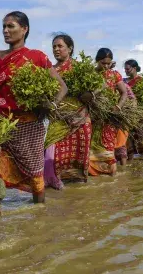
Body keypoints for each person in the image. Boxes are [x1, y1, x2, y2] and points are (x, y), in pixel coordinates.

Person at [0, 11, 67, 203]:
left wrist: (50, 105)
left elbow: (62, 87)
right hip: (2, 126)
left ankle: (39, 219)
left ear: (24, 29)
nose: (5, 31)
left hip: (30, 126)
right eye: (3, 27)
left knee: (36, 178)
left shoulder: (37, 57)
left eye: (11, 26)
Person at [43, 34, 91, 189]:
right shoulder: (51, 70)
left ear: (70, 48)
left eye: (60, 46)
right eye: (54, 47)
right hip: (57, 119)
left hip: (79, 119)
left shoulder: (80, 68)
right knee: (50, 155)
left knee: (76, 158)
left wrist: (90, 95)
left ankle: (74, 200)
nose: (56, 49)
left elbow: (100, 86)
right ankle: (52, 188)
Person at [88, 48, 127, 176]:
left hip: (109, 118)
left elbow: (124, 93)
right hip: (94, 117)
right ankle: (95, 176)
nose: (105, 66)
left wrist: (118, 107)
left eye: (108, 63)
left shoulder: (114, 75)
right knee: (92, 148)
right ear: (97, 61)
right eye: (103, 63)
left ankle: (112, 177)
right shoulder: (90, 75)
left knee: (108, 146)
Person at [123, 59, 143, 159]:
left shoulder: (141, 81)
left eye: (128, 69)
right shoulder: (123, 81)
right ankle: (130, 162)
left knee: (140, 136)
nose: (126, 71)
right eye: (125, 69)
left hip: (138, 114)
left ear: (134, 68)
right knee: (128, 138)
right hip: (126, 114)